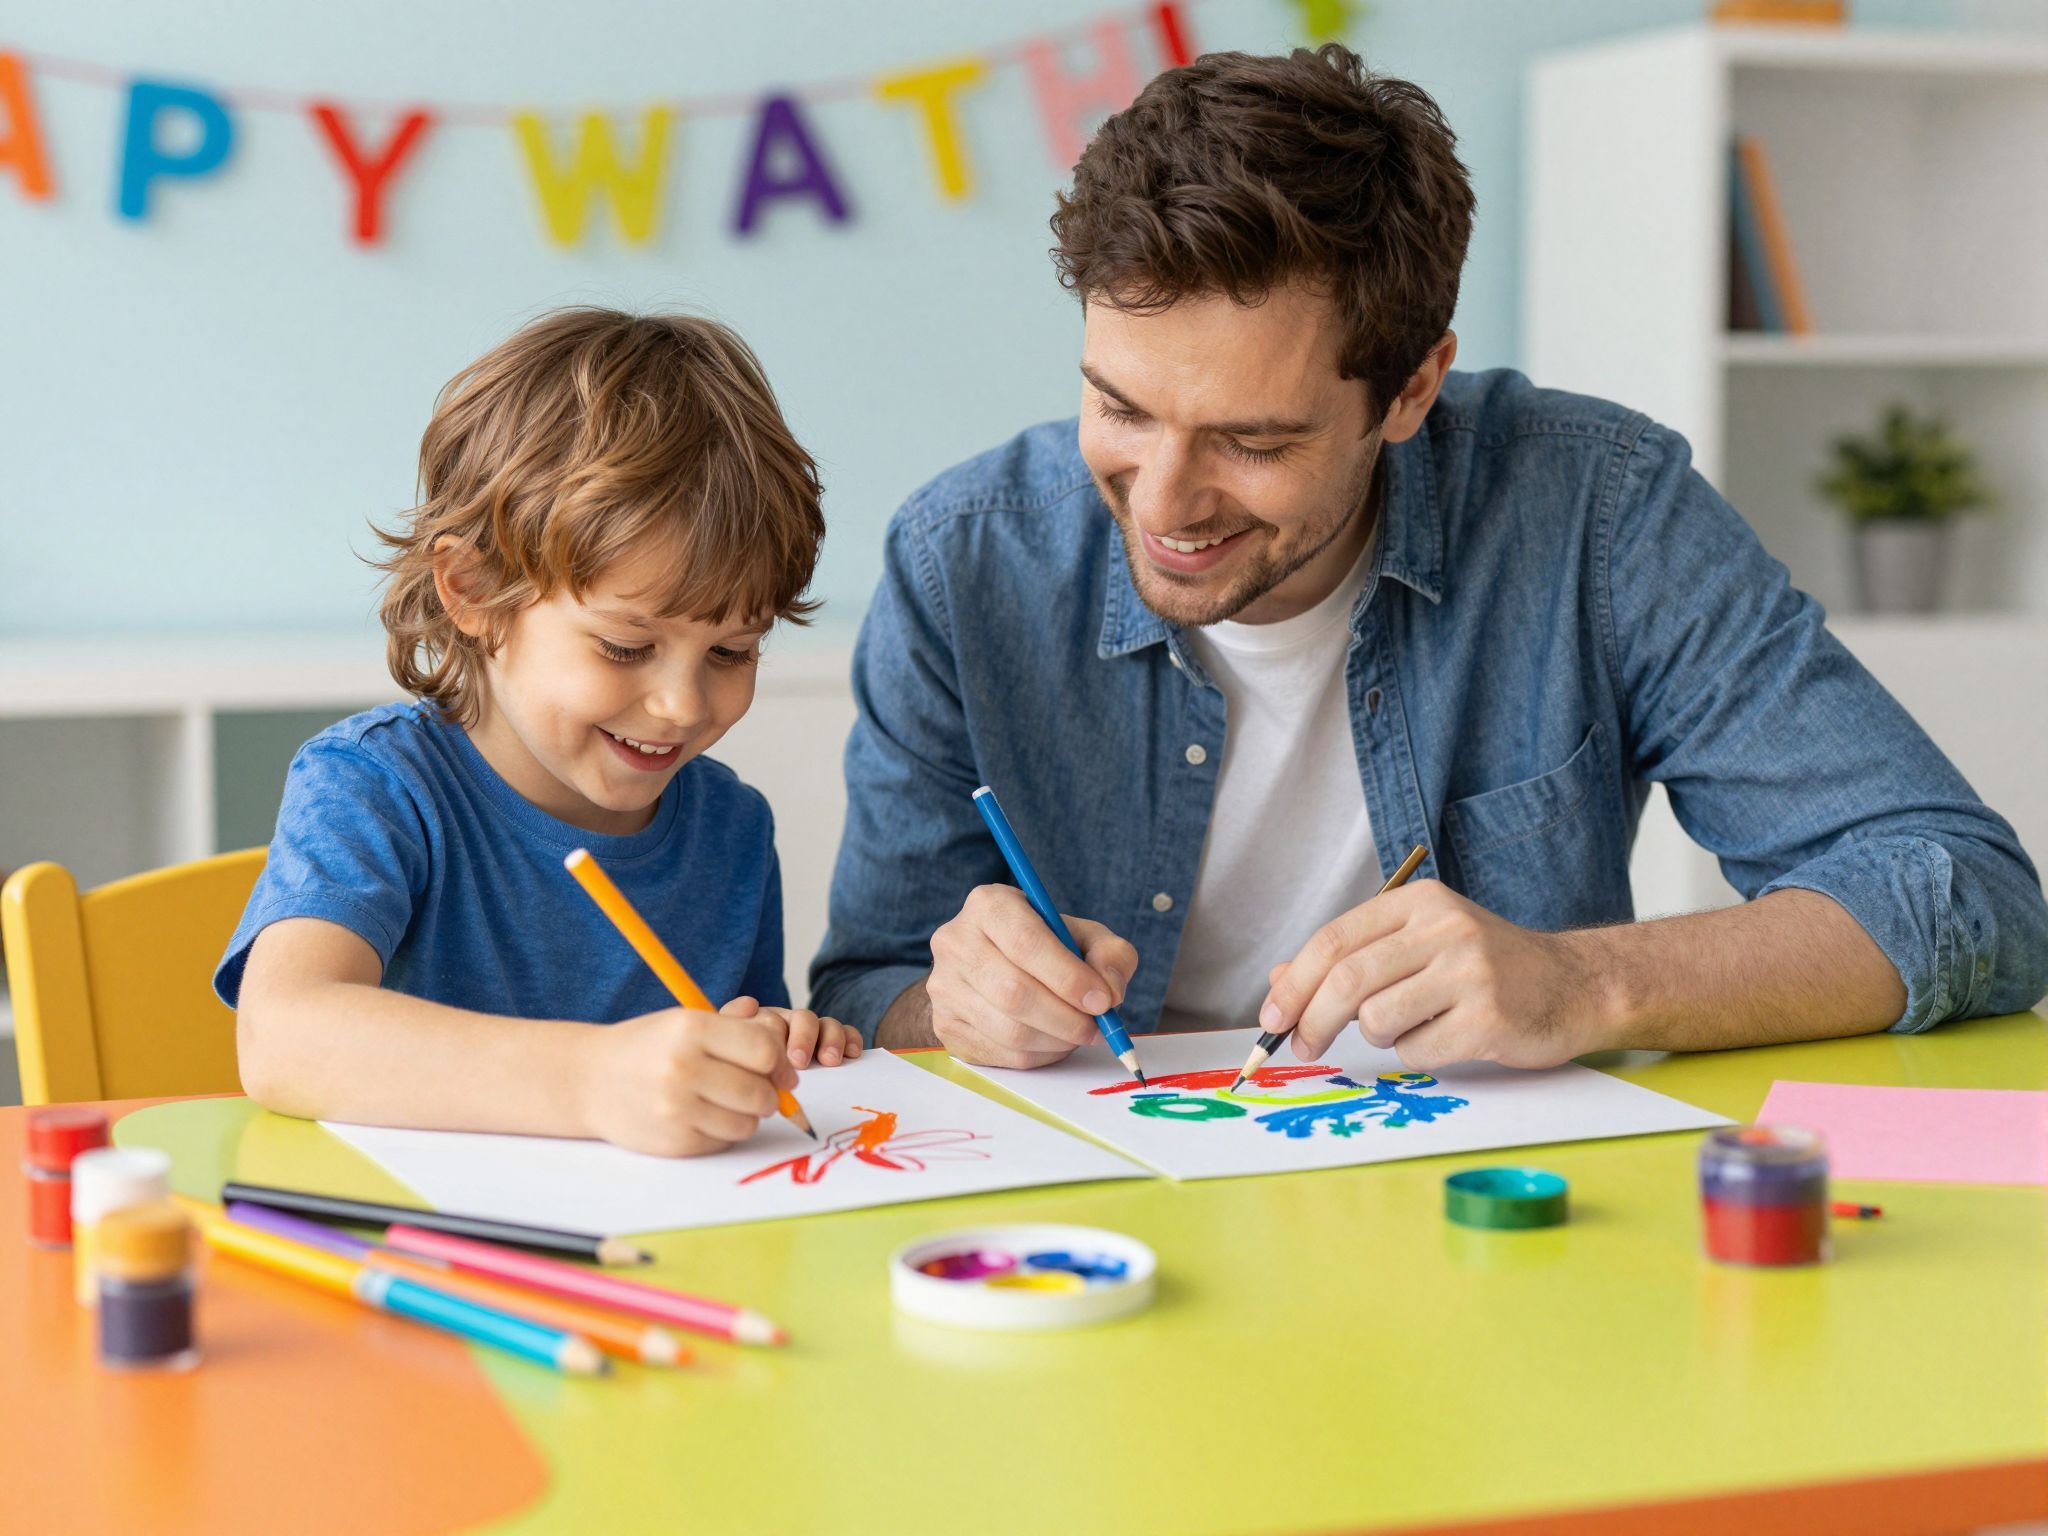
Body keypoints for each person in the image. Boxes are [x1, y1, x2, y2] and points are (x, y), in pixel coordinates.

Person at [810, 46, 2048, 1072]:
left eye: (1251, 439)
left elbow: (1967, 898)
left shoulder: (1595, 512)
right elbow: (866, 988)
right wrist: (950, 1005)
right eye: (1121, 409)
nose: (1167, 500)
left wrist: (1575, 981)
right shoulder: (961, 558)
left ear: (1411, 390)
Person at [220, 308, 860, 1156]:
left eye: (733, 650)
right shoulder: (376, 788)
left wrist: (765, 1045)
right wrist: (594, 1082)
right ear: (475, 592)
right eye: (626, 645)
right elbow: (284, 1037)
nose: (681, 704)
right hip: (426, 1253)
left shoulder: (732, 831)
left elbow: (725, 1057)